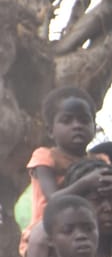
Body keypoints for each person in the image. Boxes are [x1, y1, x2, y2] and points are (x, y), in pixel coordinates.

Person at [20, 86, 95, 231]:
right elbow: (53, 198)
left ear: (94, 126)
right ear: (50, 131)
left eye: (84, 120)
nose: (77, 126)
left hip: (87, 226)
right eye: (67, 121)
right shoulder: (45, 156)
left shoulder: (100, 160)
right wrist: (86, 182)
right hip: (48, 228)